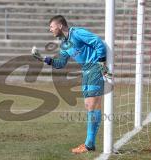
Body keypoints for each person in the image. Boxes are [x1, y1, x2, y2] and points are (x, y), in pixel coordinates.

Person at [32, 15, 107, 154]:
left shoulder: (77, 33)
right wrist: (44, 59)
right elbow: (60, 63)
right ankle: (90, 144)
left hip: (95, 68)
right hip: (86, 71)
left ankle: (89, 144)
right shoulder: (64, 44)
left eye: (51, 27)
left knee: (92, 104)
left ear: (60, 26)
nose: (50, 30)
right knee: (88, 105)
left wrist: (102, 63)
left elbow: (98, 42)